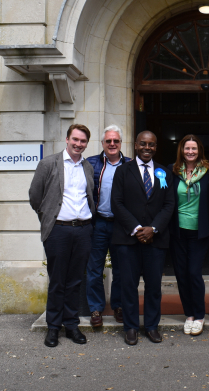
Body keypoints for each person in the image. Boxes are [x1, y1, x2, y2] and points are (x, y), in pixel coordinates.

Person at [29, 124, 96, 348]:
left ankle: (72, 325)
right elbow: (35, 197)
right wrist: (49, 218)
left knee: (76, 280)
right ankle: (53, 327)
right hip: (58, 230)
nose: (78, 144)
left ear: (87, 144)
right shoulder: (48, 163)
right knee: (58, 280)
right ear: (67, 139)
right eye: (75, 140)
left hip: (84, 229)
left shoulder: (87, 166)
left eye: (83, 141)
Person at [111, 131, 176, 346]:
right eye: (143, 144)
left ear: (156, 147)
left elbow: (169, 204)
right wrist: (137, 228)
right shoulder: (122, 171)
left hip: (155, 240)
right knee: (128, 286)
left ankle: (151, 326)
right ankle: (130, 327)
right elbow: (116, 203)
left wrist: (154, 228)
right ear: (136, 145)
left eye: (151, 145)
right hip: (128, 239)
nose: (147, 148)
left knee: (153, 286)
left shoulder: (163, 172)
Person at [168, 135, 209, 336]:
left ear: (199, 151)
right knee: (181, 273)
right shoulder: (172, 171)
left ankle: (200, 315)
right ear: (181, 150)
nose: (190, 152)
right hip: (177, 231)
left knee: (194, 272)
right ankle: (188, 314)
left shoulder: (208, 171)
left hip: (199, 231)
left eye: (194, 149)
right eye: (187, 148)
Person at [85, 125, 132, 328]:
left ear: (121, 143)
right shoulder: (91, 163)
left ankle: (118, 306)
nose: (112, 144)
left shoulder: (130, 165)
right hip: (99, 224)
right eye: (108, 141)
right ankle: (95, 308)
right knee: (95, 269)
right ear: (102, 143)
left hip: (121, 226)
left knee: (121, 269)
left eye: (116, 141)